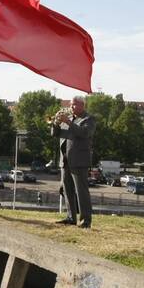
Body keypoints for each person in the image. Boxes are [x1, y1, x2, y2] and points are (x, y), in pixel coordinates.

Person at [52, 96, 97, 228]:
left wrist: (69, 122)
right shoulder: (69, 118)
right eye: (71, 105)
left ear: (82, 105)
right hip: (65, 160)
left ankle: (85, 221)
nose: (71, 107)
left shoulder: (88, 119)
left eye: (74, 105)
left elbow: (84, 133)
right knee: (67, 190)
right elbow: (55, 134)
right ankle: (71, 217)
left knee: (81, 191)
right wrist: (55, 123)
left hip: (79, 160)